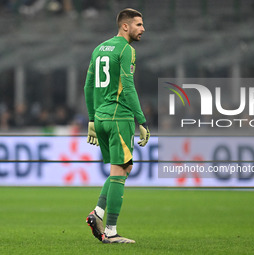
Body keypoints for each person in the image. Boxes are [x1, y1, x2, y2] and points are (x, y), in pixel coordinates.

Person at [84, 8, 150, 244]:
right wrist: (141, 120)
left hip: (101, 119)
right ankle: (110, 231)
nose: (143, 29)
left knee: (123, 168)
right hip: (118, 117)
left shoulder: (99, 48)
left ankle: (98, 214)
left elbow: (88, 86)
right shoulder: (126, 50)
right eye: (139, 24)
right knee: (120, 171)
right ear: (125, 26)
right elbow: (129, 87)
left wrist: (91, 119)